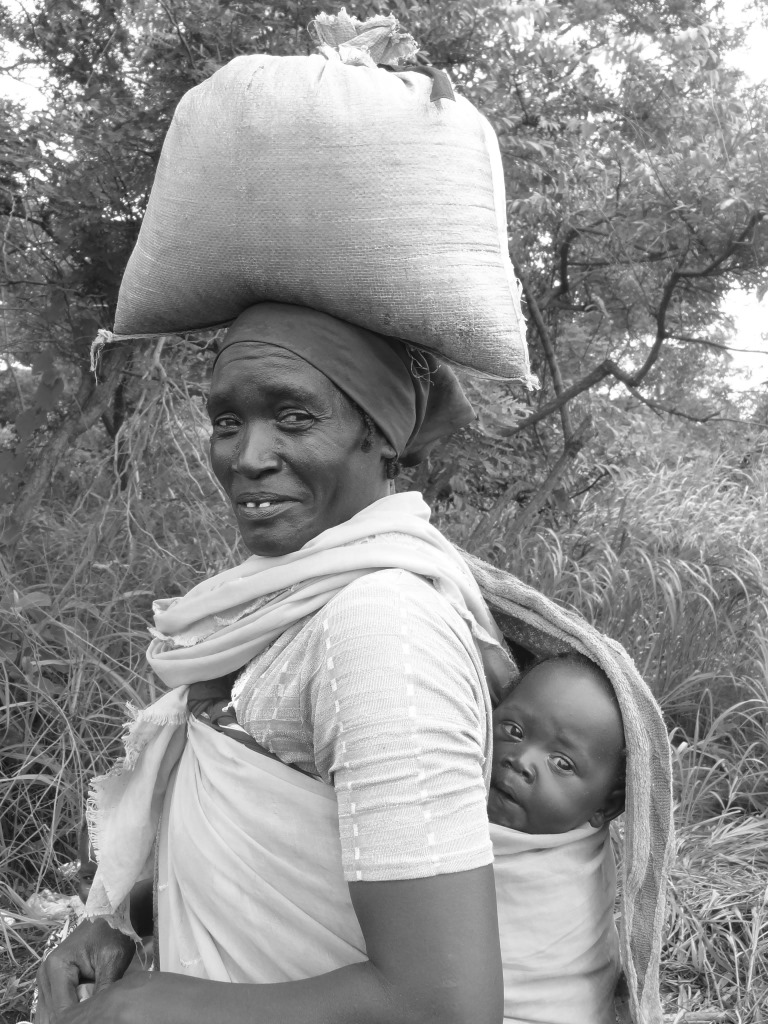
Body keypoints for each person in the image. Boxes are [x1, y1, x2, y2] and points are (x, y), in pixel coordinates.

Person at [35, 302, 514, 1024]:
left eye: (294, 417)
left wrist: (165, 1008)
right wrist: (129, 920)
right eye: (227, 421)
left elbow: (444, 1006)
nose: (247, 456)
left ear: (381, 435)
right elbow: (291, 853)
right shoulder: (294, 598)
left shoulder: (380, 624)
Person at [488, 652, 626, 1024]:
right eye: (513, 731)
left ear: (606, 805)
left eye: (562, 763)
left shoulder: (573, 880)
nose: (521, 760)